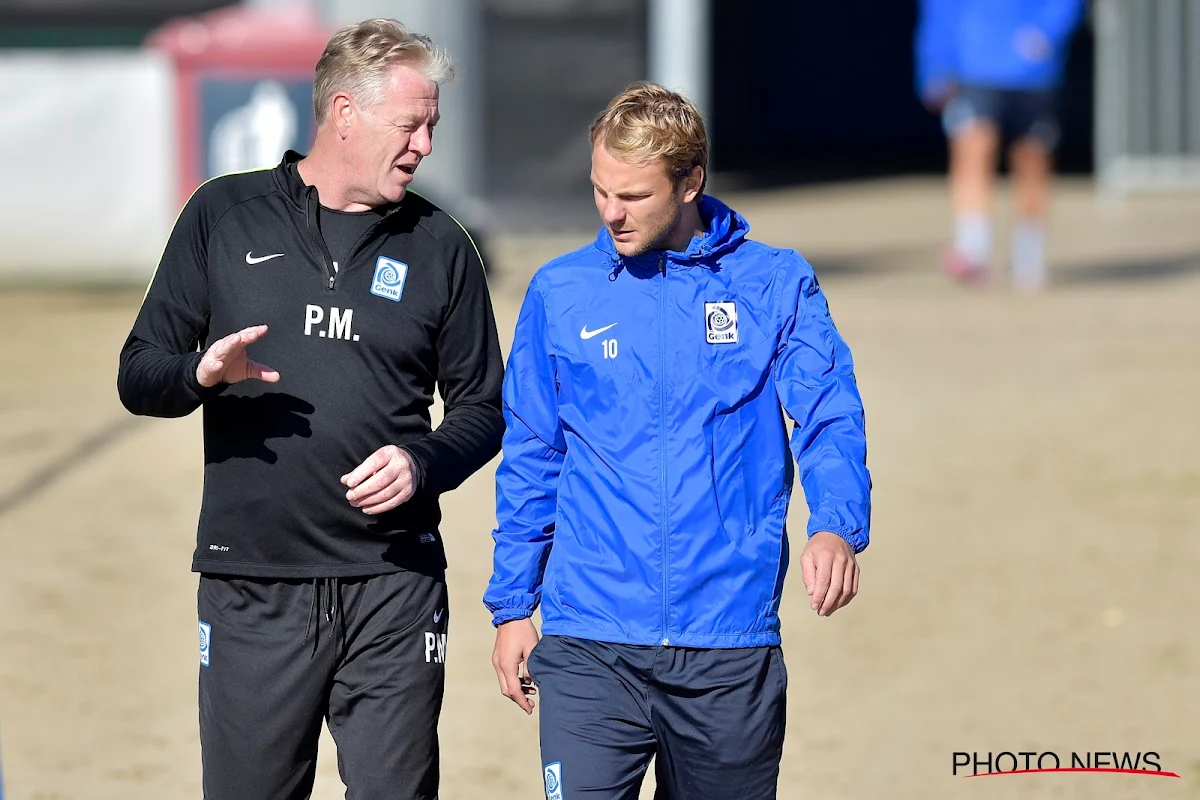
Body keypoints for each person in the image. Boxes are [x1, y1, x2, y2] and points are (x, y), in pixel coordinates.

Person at [117, 18, 504, 800]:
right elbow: (139, 376)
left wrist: (423, 461)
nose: (426, 144)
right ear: (344, 114)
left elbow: (484, 409)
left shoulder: (443, 247)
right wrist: (201, 372)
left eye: (432, 124)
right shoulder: (222, 217)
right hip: (253, 586)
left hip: (394, 587)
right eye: (411, 124)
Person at [485, 82, 872, 799]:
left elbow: (828, 413)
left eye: (632, 196)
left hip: (727, 644)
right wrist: (513, 607)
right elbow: (534, 452)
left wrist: (836, 527)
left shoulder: (776, 284)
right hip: (589, 642)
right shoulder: (559, 292)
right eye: (600, 190)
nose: (610, 212)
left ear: (691, 181)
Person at [915, 0, 1086, 291]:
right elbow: (939, 10)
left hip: (1033, 74)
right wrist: (933, 65)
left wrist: (1045, 33)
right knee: (972, 151)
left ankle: (1028, 258)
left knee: (1032, 162)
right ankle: (973, 249)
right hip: (973, 68)